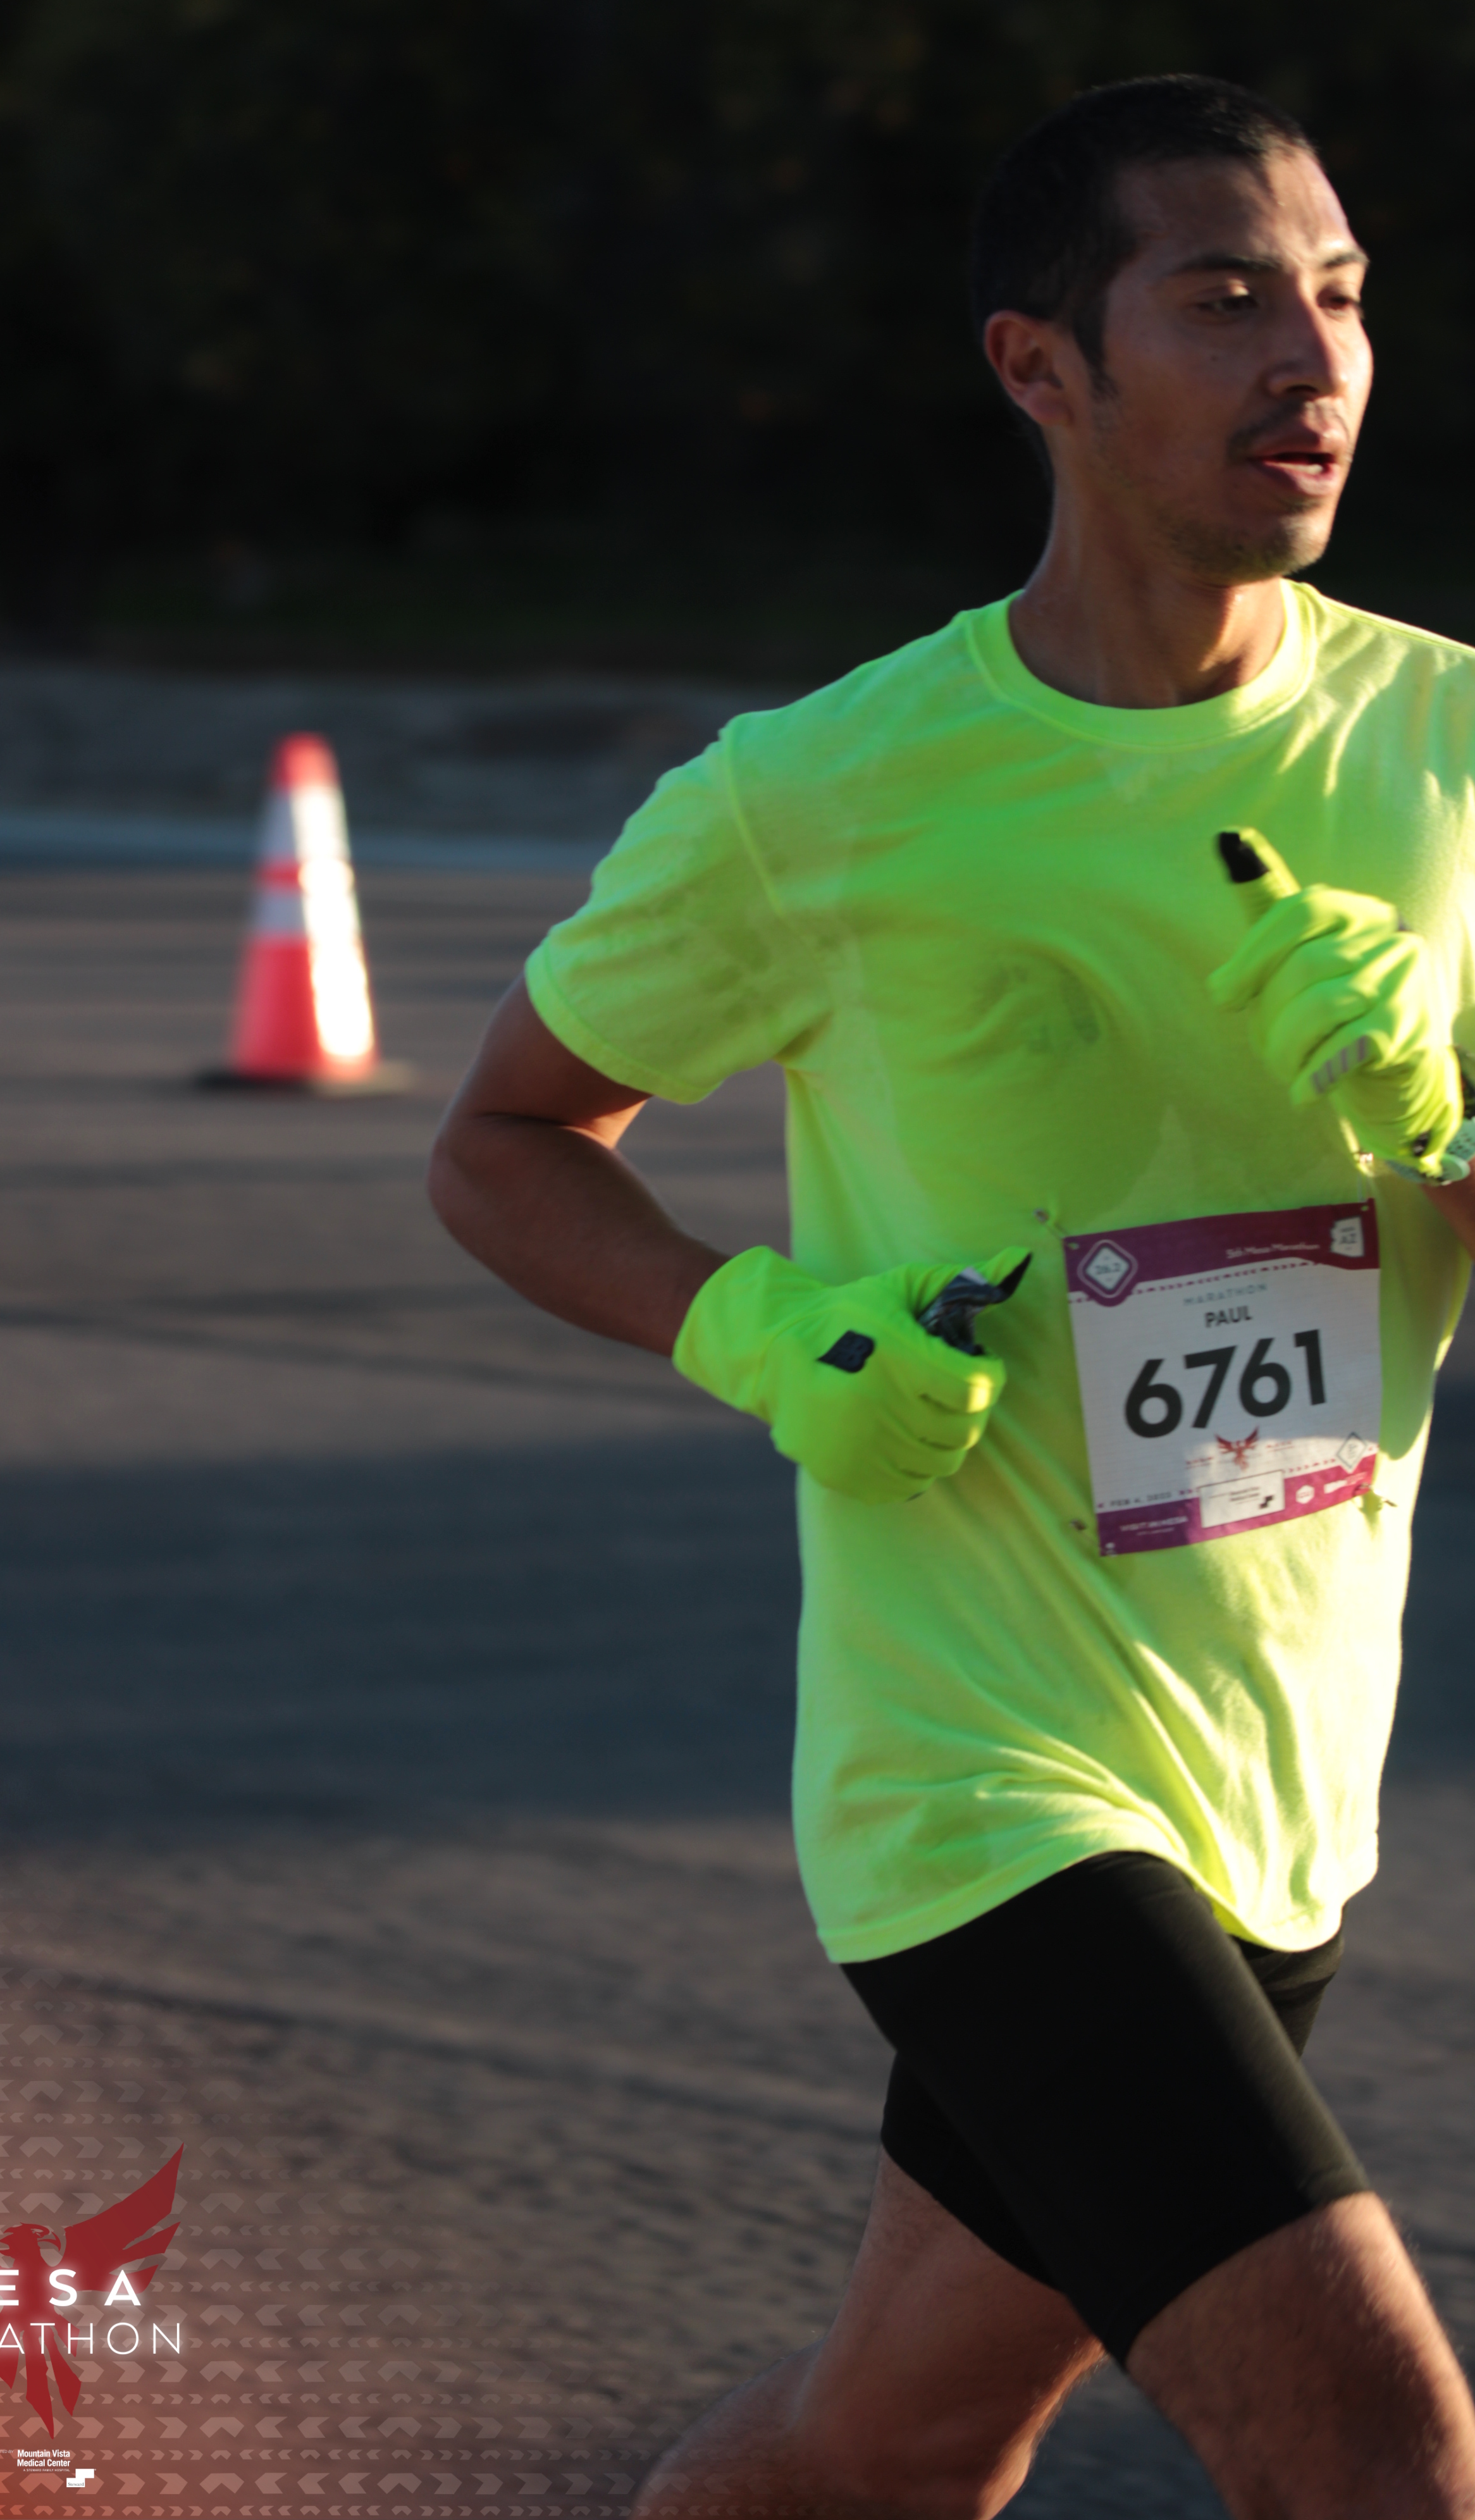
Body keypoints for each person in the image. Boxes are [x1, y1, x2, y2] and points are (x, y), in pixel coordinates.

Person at [428, 73, 1475, 2520]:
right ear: (1040, 366)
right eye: (1223, 299)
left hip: (1275, 1785)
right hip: (979, 1789)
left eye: (1340, 299)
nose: (1310, 361)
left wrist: (1442, 1114)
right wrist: (753, 1332)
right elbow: (503, 1140)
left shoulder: (1451, 751)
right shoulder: (824, 792)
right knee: (1375, 2442)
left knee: (886, 2446)